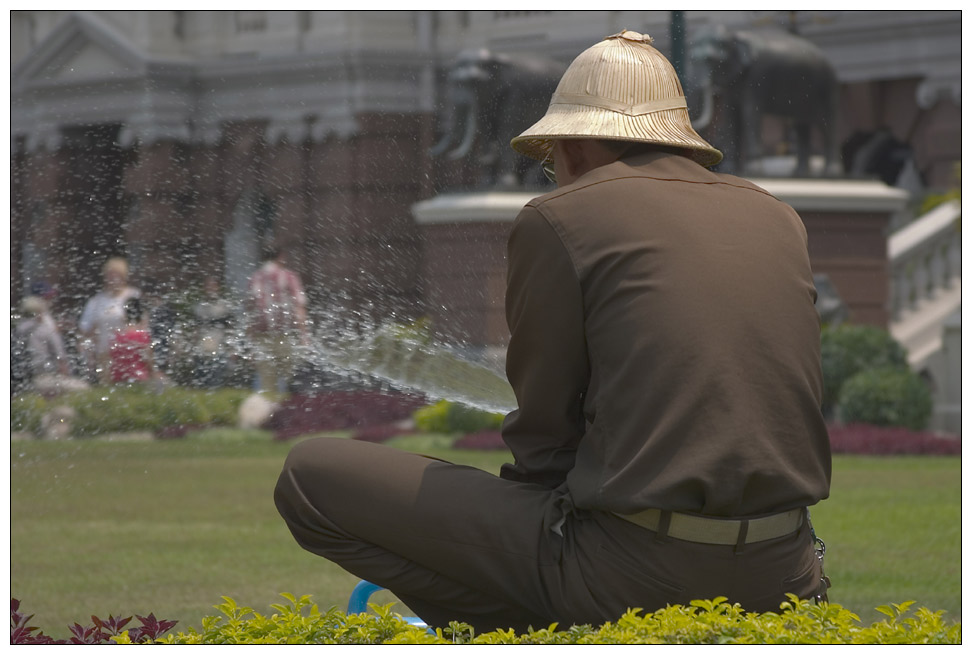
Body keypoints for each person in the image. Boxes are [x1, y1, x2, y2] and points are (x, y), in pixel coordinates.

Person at [274, 30, 832, 633]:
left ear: (577, 144)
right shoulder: (777, 216)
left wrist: (520, 536)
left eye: (549, 158)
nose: (553, 173)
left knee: (308, 478)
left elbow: (545, 435)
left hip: (632, 573)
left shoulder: (560, 218)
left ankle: (537, 631)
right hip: (788, 572)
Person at [246, 244, 308, 393]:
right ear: (281, 257)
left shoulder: (255, 278)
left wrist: (250, 341)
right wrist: (304, 335)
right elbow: (298, 306)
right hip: (286, 335)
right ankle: (293, 413)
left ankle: (270, 414)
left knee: (267, 385)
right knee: (292, 380)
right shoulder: (288, 276)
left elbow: (250, 311)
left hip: (262, 337)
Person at [78, 257, 140, 384]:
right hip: (105, 353)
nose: (114, 279)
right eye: (110, 275)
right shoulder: (96, 301)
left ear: (124, 276)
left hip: (129, 352)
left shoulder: (133, 296)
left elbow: (142, 324)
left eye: (117, 275)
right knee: (107, 387)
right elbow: (85, 330)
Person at [13, 295, 89, 396]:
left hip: (23, 380)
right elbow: (61, 360)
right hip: (46, 378)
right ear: (40, 313)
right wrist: (67, 376)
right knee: (84, 389)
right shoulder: (46, 330)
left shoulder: (18, 330)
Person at [108, 297, 162, 386]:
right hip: (139, 380)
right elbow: (148, 361)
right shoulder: (141, 335)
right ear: (143, 315)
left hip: (118, 380)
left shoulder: (116, 335)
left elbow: (109, 359)